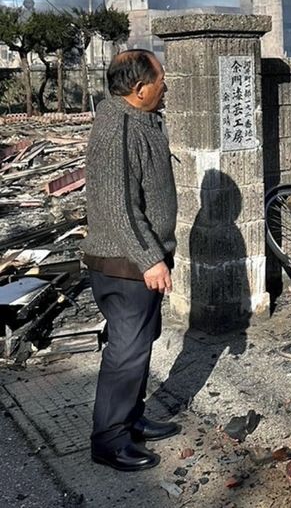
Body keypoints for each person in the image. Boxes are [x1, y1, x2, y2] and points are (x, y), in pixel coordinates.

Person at [81, 49, 179, 472]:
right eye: (160, 79)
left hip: (139, 258)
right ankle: (109, 438)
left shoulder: (140, 120)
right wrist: (149, 259)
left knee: (140, 343)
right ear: (139, 90)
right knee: (126, 349)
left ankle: (131, 418)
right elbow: (119, 204)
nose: (166, 85)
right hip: (124, 263)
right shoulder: (116, 128)